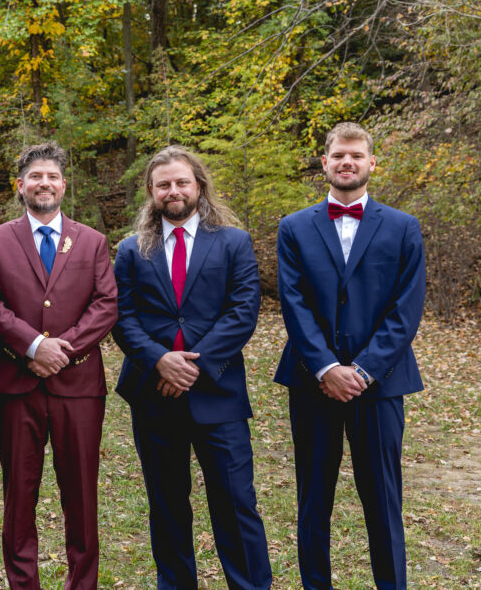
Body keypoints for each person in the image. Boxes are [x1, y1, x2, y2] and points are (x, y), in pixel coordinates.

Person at [112, 145, 272, 590]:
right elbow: (122, 317)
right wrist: (159, 360)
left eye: (182, 182)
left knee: (237, 502)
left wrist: (192, 368)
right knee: (167, 504)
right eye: (164, 184)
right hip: (154, 395)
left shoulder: (233, 242)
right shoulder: (131, 250)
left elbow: (243, 311)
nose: (173, 190)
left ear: (199, 185)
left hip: (218, 395)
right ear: (151, 191)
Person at [275, 122, 425, 589]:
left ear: (371, 163)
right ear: (324, 162)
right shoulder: (294, 227)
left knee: (383, 501)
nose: (347, 162)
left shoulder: (403, 227)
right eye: (339, 155)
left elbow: (407, 308)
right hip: (312, 381)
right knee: (313, 500)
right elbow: (293, 302)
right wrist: (326, 367)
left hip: (380, 386)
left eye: (357, 155)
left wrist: (361, 371)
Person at [0, 142, 117, 590]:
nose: (44, 183)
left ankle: (83, 583)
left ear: (63, 185)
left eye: (52, 176)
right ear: (20, 186)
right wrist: (34, 347)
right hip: (15, 385)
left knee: (81, 494)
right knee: (19, 494)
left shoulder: (92, 241)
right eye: (35, 176)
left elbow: (106, 304)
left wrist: (63, 350)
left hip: (78, 386)